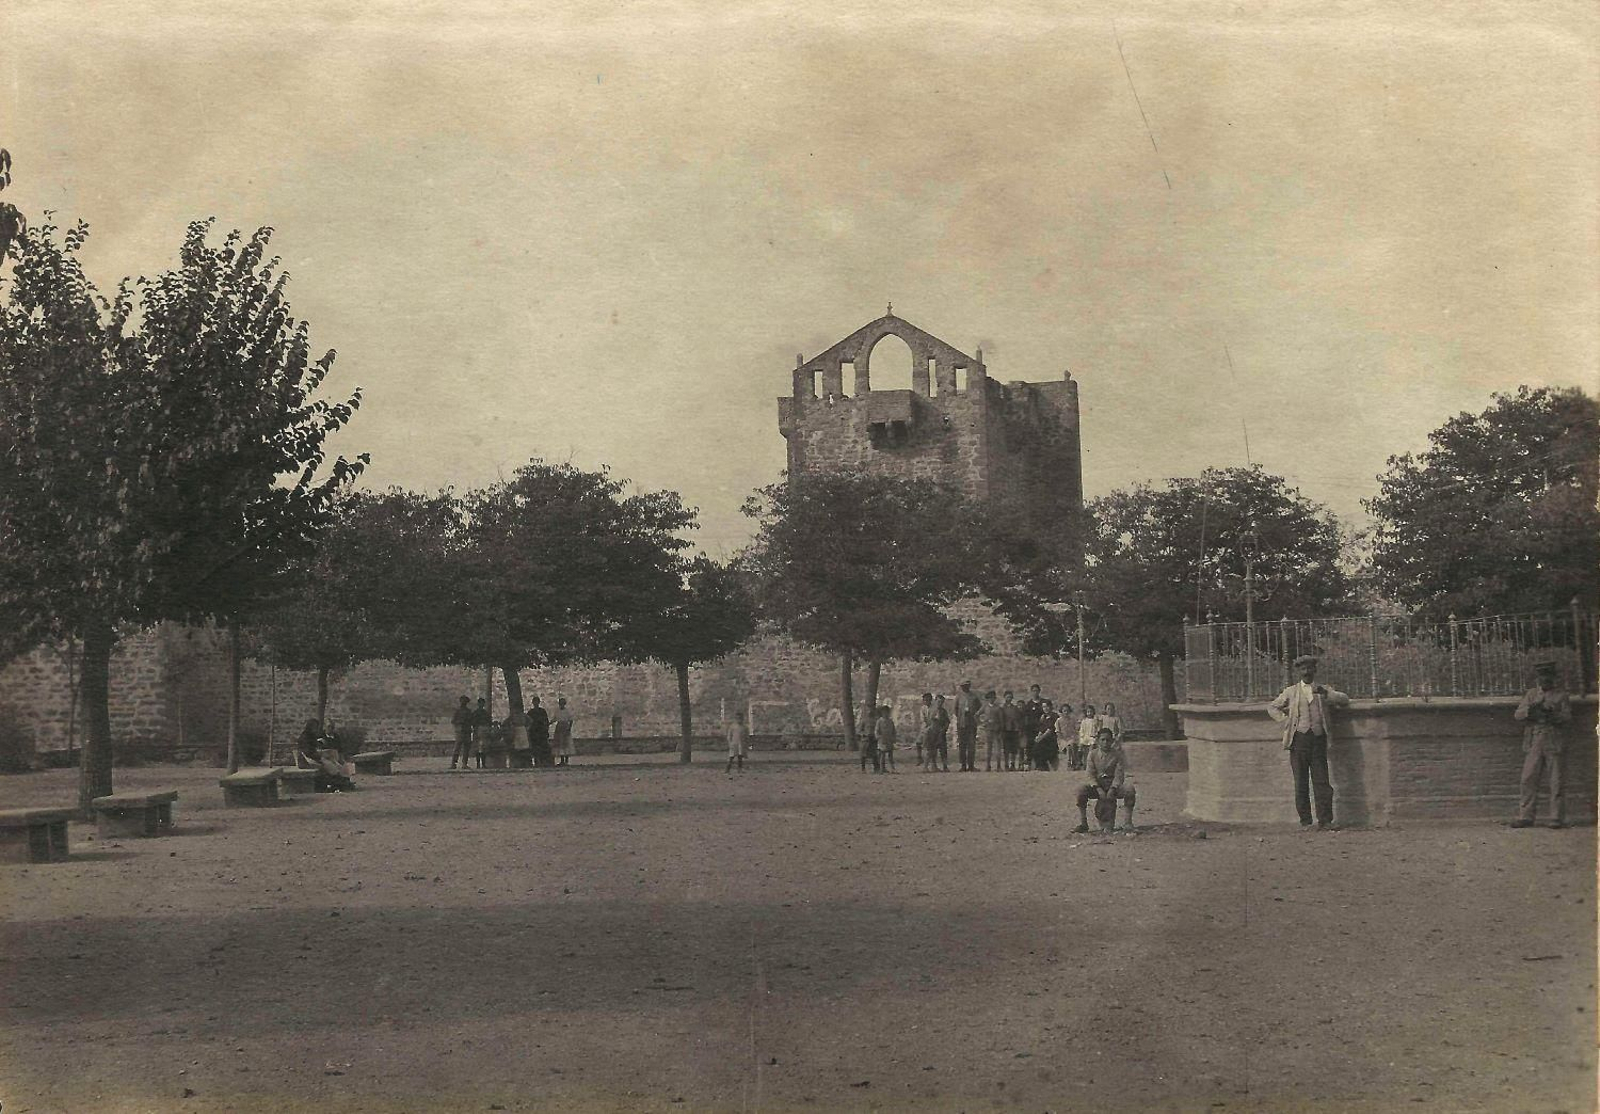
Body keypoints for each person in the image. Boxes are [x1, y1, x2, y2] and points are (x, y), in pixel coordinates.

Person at [1266, 654, 1351, 830]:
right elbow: (1272, 707)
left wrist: (1327, 693)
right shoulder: (1291, 691)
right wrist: (1285, 721)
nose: (1307, 672)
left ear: (1315, 670)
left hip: (1318, 739)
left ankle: (1325, 820)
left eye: (1310, 668)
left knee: (1321, 781)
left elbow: (1344, 700)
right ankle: (1305, 821)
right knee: (1301, 782)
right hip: (1298, 741)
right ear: (1299, 672)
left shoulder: (1322, 689)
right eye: (1303, 669)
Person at [1512, 660, 1574, 829]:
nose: (1544, 680)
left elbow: (1567, 717)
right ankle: (1526, 816)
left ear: (1553, 678)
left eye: (1547, 677)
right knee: (1528, 778)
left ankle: (1556, 817)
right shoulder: (1531, 694)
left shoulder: (1561, 695)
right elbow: (1518, 715)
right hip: (1534, 740)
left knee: (1556, 780)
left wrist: (1552, 713)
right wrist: (1531, 710)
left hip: (1553, 739)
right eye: (1541, 677)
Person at [1074, 728, 1135, 833]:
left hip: (1113, 786)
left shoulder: (1117, 755)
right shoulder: (1092, 754)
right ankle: (1083, 823)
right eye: (1102, 740)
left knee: (1129, 789)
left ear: (1112, 741)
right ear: (1098, 740)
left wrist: (1113, 788)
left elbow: (1119, 774)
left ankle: (1127, 823)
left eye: (1108, 740)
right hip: (1098, 786)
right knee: (1081, 790)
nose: (1105, 743)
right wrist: (1097, 788)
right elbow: (1090, 774)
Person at [295, 718, 355, 792]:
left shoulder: (312, 736)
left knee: (336, 764)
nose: (316, 730)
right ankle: (334, 784)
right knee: (327, 765)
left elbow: (315, 749)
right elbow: (308, 752)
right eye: (315, 728)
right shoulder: (305, 737)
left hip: (315, 758)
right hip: (305, 760)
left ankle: (341, 781)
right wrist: (321, 756)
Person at [953, 681, 981, 772]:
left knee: (971, 745)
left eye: (966, 686)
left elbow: (979, 708)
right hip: (961, 724)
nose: (965, 687)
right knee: (962, 745)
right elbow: (956, 710)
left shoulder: (974, 696)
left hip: (972, 724)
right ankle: (963, 765)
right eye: (963, 686)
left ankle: (971, 765)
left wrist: (973, 715)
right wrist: (961, 717)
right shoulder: (958, 697)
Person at [1021, 684, 1047, 770]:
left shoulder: (1043, 703)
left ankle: (1040, 765)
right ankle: (1028, 765)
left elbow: (1047, 712)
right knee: (1030, 746)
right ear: (1031, 692)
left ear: (1039, 691)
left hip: (1041, 728)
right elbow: (1025, 716)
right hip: (1031, 729)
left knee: (1040, 746)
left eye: (1037, 690)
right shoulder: (1029, 704)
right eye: (1033, 691)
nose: (1035, 692)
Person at [923, 694, 951, 772]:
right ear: (935, 701)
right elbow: (928, 721)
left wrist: (944, 729)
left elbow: (947, 721)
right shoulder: (931, 710)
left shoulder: (943, 711)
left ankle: (945, 766)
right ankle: (928, 766)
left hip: (941, 732)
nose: (940, 703)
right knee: (931, 750)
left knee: (943, 750)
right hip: (932, 732)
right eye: (938, 701)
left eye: (941, 702)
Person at [1031, 698, 1059, 771]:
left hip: (1052, 739)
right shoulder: (1043, 717)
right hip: (1045, 738)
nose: (1045, 709)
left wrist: (1041, 738)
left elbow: (1050, 730)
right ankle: (1041, 766)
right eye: (1043, 707)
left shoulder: (1054, 716)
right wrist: (1038, 736)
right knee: (1035, 746)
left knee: (1040, 746)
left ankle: (1043, 766)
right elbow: (1041, 729)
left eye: (1047, 706)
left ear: (1051, 707)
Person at [998, 691, 1022, 771]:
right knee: (1006, 749)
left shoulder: (1015, 708)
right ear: (1004, 697)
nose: (1009, 699)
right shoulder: (1002, 708)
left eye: (1010, 697)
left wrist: (1018, 728)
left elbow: (1018, 718)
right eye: (1007, 697)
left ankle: (1012, 764)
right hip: (1005, 730)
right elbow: (1000, 720)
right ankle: (1006, 765)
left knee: (1014, 749)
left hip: (1014, 730)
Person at [526, 696, 553, 767]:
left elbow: (546, 721)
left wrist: (546, 729)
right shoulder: (530, 712)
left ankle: (543, 761)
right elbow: (528, 722)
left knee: (542, 746)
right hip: (534, 732)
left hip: (541, 732)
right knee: (535, 747)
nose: (535, 703)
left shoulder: (542, 711)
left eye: (536, 702)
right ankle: (536, 760)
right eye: (534, 702)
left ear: (538, 702)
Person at [980, 691, 1002, 772]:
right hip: (988, 730)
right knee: (988, 749)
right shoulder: (985, 707)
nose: (991, 699)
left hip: (996, 730)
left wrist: (1000, 729)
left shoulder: (998, 708)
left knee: (997, 749)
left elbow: (1001, 720)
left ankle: (998, 766)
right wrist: (983, 723)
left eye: (993, 698)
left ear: (995, 699)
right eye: (990, 698)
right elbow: (976, 715)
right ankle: (988, 766)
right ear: (988, 699)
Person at [449, 695, 473, 770]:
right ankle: (453, 763)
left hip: (467, 731)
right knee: (457, 748)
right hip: (460, 731)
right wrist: (460, 723)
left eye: (465, 701)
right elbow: (453, 721)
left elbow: (471, 721)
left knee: (466, 748)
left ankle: (464, 764)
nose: (463, 703)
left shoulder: (469, 711)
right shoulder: (457, 711)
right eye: (462, 701)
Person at [1075, 704, 1100, 772]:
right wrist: (1082, 736)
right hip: (1085, 737)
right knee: (1080, 747)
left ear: (1093, 712)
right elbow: (1081, 730)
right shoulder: (1084, 721)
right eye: (1088, 712)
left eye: (1091, 712)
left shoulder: (1095, 721)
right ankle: (1079, 761)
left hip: (1092, 737)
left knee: (1091, 749)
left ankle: (1089, 764)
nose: (1089, 713)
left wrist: (1096, 734)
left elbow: (1098, 729)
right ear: (1086, 713)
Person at [552, 697, 576, 766]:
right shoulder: (557, 711)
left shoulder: (567, 711)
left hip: (565, 727)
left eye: (562, 704)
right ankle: (562, 760)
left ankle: (566, 760)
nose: (561, 705)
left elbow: (571, 720)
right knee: (560, 744)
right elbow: (554, 719)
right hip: (559, 728)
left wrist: (569, 728)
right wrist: (549, 723)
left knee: (566, 744)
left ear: (564, 704)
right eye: (560, 704)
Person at [470, 697, 492, 769]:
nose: (481, 705)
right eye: (480, 703)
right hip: (477, 730)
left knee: (483, 748)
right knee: (478, 748)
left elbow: (489, 722)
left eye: (482, 703)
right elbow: (473, 722)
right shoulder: (476, 713)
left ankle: (483, 764)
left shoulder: (485, 713)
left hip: (484, 731)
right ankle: (478, 764)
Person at [725, 709, 749, 773]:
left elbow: (747, 736)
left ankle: (739, 769)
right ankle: (727, 769)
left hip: (741, 744)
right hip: (734, 744)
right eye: (738, 718)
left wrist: (746, 744)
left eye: (741, 718)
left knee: (740, 757)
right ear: (736, 719)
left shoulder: (745, 727)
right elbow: (729, 736)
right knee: (731, 757)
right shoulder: (732, 726)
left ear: (743, 719)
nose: (739, 720)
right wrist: (730, 743)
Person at [875, 705, 897, 772]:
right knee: (882, 755)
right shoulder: (879, 721)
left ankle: (892, 768)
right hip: (882, 740)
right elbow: (876, 730)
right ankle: (882, 768)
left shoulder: (890, 721)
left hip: (889, 740)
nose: (886, 714)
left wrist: (894, 738)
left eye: (887, 712)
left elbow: (893, 730)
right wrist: (878, 737)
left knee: (890, 755)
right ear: (881, 713)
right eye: (884, 712)